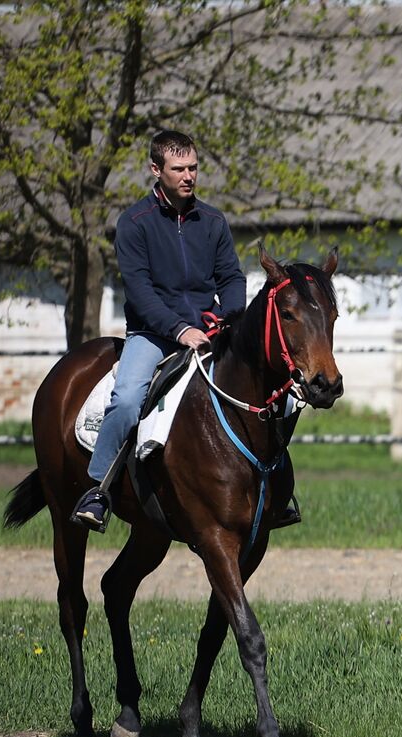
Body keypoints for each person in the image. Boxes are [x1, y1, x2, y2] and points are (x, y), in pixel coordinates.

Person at [72, 130, 252, 531]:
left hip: (210, 332)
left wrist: (232, 319)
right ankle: (98, 489)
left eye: (193, 168)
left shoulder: (214, 221)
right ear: (156, 170)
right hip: (153, 335)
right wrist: (179, 328)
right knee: (127, 397)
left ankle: (274, 488)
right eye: (179, 169)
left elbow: (232, 278)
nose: (189, 176)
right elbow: (139, 293)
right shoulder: (133, 223)